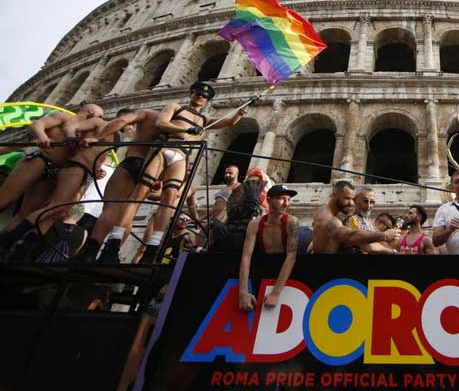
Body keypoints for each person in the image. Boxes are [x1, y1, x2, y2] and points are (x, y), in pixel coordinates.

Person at [140, 81, 245, 263]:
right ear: (192, 93)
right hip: (166, 148)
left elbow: (228, 122)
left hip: (182, 156)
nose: (201, 97)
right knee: (141, 191)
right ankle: (116, 239)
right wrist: (186, 128)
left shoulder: (204, 120)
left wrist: (244, 109)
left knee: (170, 196)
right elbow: (161, 123)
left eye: (205, 96)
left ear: (207, 101)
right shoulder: (176, 107)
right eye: (198, 93)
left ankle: (153, 244)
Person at [72, 108, 163, 263]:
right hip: (153, 168)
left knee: (111, 207)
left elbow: (122, 121)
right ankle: (112, 253)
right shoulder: (174, 122)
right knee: (130, 212)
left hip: (134, 160)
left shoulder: (149, 114)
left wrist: (98, 137)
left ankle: (90, 252)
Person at [0, 104, 103, 224]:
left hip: (55, 170)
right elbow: (36, 125)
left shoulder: (86, 133)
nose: (100, 120)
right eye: (100, 116)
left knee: (28, 212)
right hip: (41, 158)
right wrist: (42, 136)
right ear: (90, 111)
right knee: (6, 198)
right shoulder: (65, 117)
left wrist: (97, 168)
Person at [239, 184, 299, 310]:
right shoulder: (255, 224)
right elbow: (246, 257)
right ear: (269, 200)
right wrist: (243, 292)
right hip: (263, 265)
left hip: (284, 267)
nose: (286, 203)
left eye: (288, 199)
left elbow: (291, 257)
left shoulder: (291, 222)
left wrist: (276, 293)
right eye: (282, 199)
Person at [311, 180, 400, 254]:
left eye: (352, 199)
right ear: (334, 195)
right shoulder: (331, 220)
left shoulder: (323, 209)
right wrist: (384, 235)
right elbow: (351, 236)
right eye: (347, 198)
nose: (351, 203)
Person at [346, 186, 393, 253]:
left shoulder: (368, 222)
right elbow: (369, 246)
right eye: (365, 201)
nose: (369, 206)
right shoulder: (351, 219)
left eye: (372, 202)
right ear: (355, 200)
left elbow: (381, 241)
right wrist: (392, 252)